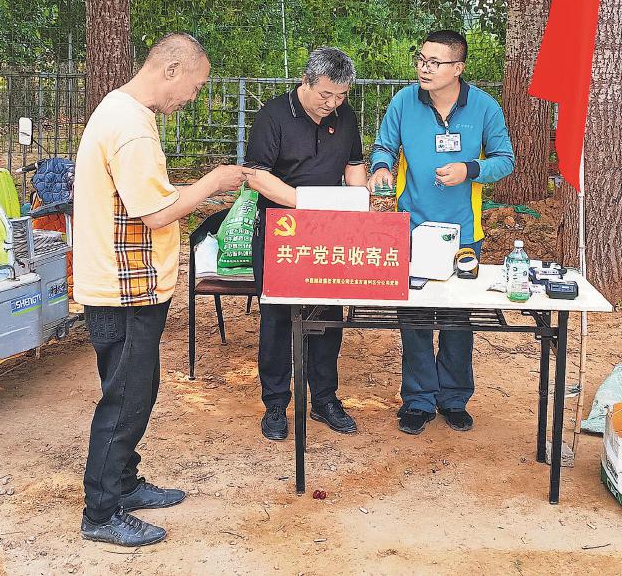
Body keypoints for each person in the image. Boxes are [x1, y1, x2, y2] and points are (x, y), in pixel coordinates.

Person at [73, 33, 249, 547]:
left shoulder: (125, 111)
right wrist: (213, 183)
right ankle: (101, 512)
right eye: (194, 86)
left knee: (138, 390)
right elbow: (155, 213)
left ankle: (125, 483)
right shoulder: (131, 127)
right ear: (171, 70)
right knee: (125, 400)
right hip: (123, 288)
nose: (192, 97)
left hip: (127, 284)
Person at [368, 30, 514, 434]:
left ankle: (453, 398)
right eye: (421, 59)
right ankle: (418, 400)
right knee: (414, 318)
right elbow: (384, 146)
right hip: (411, 228)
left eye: (435, 62)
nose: (424, 68)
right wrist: (381, 167)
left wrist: (470, 169)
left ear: (458, 68)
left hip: (464, 232)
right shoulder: (403, 101)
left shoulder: (483, 107)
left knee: (456, 318)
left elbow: (505, 160)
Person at [243, 48, 368, 441]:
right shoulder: (273, 115)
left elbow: (353, 164)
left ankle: (325, 399)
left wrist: (357, 202)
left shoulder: (345, 117)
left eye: (341, 96)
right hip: (280, 231)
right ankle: (276, 404)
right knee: (277, 319)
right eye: (325, 95)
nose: (332, 104)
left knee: (328, 316)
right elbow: (256, 175)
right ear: (306, 80)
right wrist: (306, 201)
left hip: (327, 232)